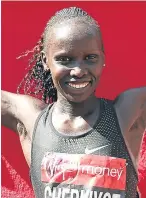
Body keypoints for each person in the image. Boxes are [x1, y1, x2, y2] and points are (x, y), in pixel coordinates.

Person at [1, 7, 146, 198]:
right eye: (65, 59)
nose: (78, 71)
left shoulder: (126, 111)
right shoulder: (32, 119)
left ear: (102, 58)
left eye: (90, 58)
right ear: (45, 60)